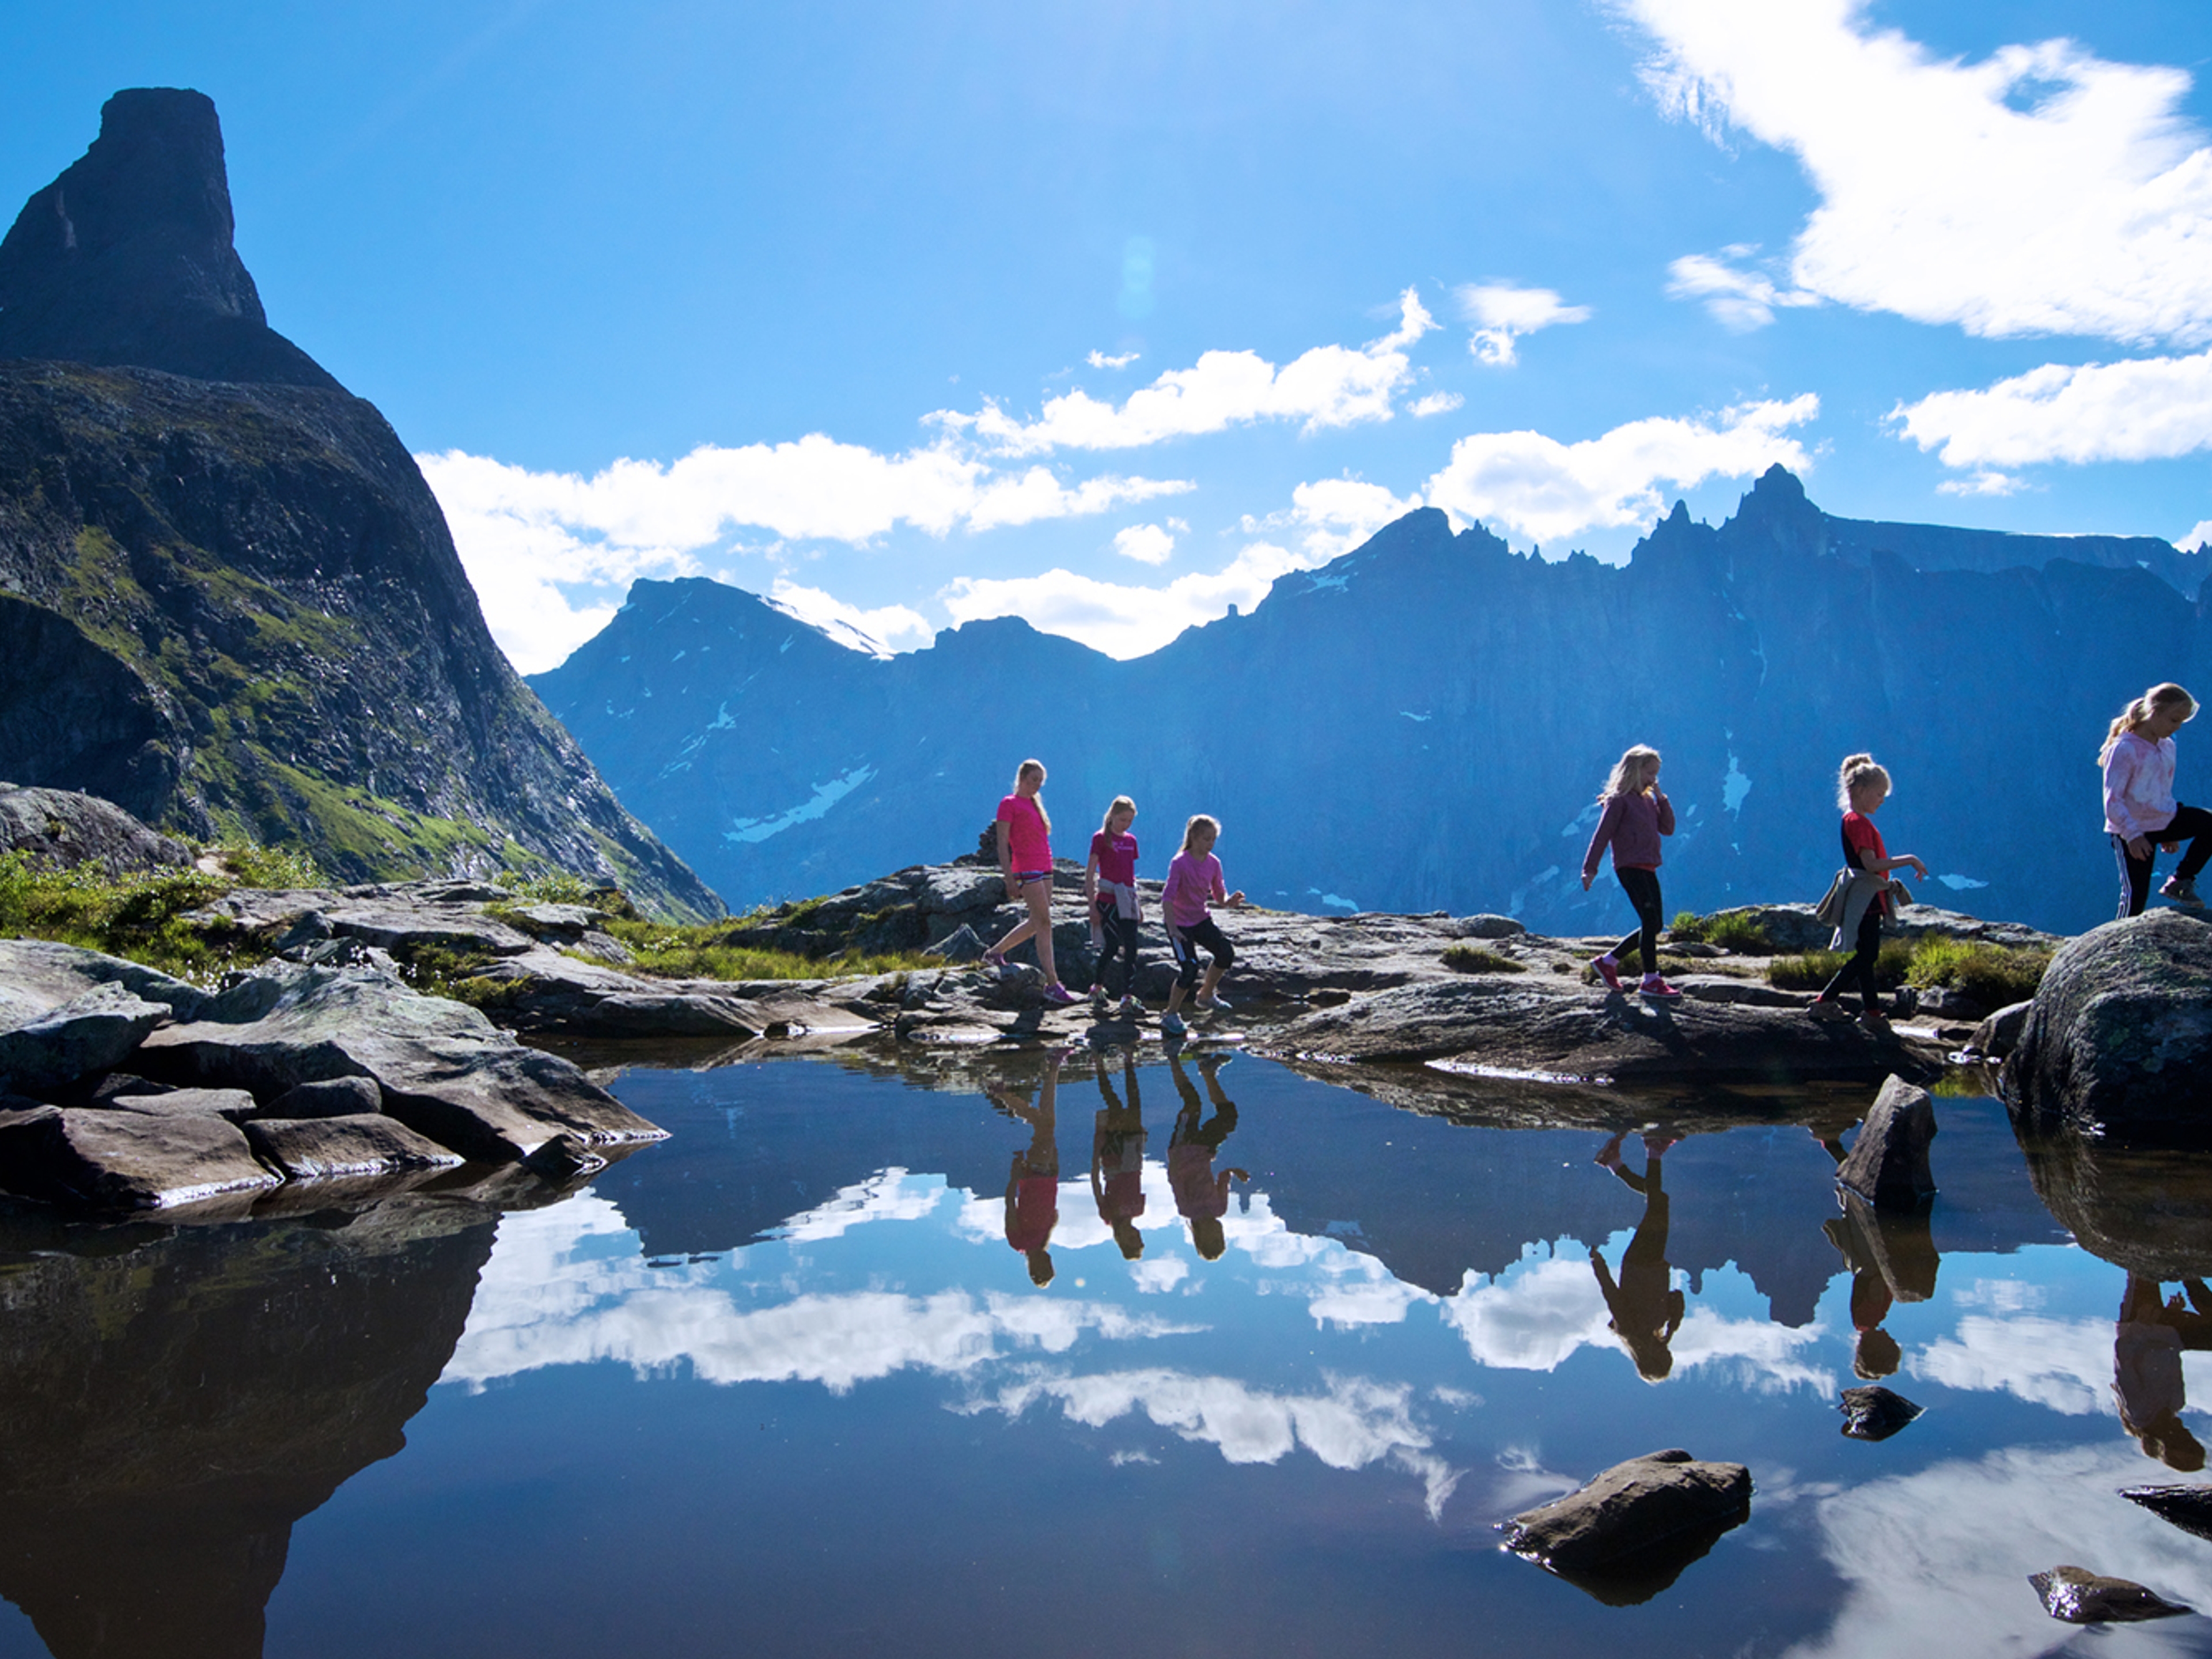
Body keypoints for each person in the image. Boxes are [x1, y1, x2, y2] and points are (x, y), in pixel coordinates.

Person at [1809, 754, 1927, 1034]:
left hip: (1867, 897)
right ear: (1860, 791)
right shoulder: (1858, 823)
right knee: (1867, 955)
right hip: (1866, 898)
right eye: (1878, 794)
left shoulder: (1854, 820)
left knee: (1867, 954)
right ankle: (1825, 1000)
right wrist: (1910, 859)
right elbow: (1870, 864)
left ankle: (1872, 1012)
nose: (1882, 800)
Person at [2101, 682, 2211, 916]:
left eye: (2182, 720)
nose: (2178, 726)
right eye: (2174, 720)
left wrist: (2168, 822)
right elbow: (2112, 801)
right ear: (2155, 712)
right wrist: (2133, 836)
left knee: (2209, 823)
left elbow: (2161, 789)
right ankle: (2118, 945)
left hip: (2162, 821)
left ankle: (2181, 881)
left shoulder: (2167, 746)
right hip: (2132, 830)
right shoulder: (2124, 749)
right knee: (2135, 895)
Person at [1581, 744, 1680, 999]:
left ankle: (1608, 962)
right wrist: (1590, 869)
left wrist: (1661, 798)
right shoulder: (1618, 801)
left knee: (1655, 924)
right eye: (1650, 773)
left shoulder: (1648, 801)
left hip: (1648, 866)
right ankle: (1650, 979)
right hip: (1630, 867)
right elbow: (1602, 836)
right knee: (1649, 921)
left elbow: (1668, 828)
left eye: (1656, 774)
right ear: (1635, 772)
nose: (1653, 779)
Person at [1589, 1129, 1686, 1381]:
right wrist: (1673, 1324)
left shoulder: (1630, 1330)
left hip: (1641, 1264)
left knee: (1658, 1202)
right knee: (1659, 1200)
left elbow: (1612, 1296)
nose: (1666, 1349)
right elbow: (1677, 1297)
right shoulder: (1656, 1328)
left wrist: (1598, 1265)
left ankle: (1654, 1149)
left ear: (1652, 1357)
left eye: (1664, 1354)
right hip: (1654, 1263)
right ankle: (1614, 1162)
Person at [985, 759, 1078, 1004]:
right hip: (1026, 869)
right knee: (1044, 922)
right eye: (1033, 779)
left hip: (1045, 867)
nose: (1037, 785)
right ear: (1022, 778)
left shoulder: (1035, 806)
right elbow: (1003, 843)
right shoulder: (1009, 804)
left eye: (1040, 781)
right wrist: (1009, 878)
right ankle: (1052, 983)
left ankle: (995, 953)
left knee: (1038, 922)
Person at [1160, 814, 1244, 1037]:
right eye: (1206, 839)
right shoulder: (1180, 863)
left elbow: (1218, 893)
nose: (1210, 844)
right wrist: (1173, 930)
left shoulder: (1214, 863)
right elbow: (1167, 898)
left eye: (1213, 839)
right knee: (1190, 968)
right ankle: (1170, 1014)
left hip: (1200, 919)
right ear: (1194, 838)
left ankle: (1206, 995)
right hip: (1179, 924)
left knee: (1225, 952)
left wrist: (1228, 902)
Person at [992, 1047, 1067, 1286]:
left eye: (1044, 1266)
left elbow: (1010, 1205)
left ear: (1034, 1268)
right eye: (1050, 1265)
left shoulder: (1018, 1241)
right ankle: (1007, 1093)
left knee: (1045, 1125)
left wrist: (1015, 1176)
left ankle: (1053, 1066)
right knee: (1046, 1123)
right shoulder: (1046, 1237)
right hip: (1049, 1174)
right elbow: (1051, 1205)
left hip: (1033, 1174)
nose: (1048, 1261)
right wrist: (1055, 1169)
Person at [1168, 1049, 1246, 1262]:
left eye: (1210, 1238)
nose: (1215, 1233)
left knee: (1192, 1104)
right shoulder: (1219, 1209)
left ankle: (1173, 1058)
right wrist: (1234, 1171)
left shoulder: (1187, 1209)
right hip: (1204, 1150)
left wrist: (1179, 1154)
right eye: (1218, 1237)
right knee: (1228, 1118)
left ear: (1200, 1236)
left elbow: (1175, 1178)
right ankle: (1208, 1071)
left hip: (1183, 1147)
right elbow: (1223, 1178)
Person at [1085, 795, 1143, 1014]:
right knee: (1111, 945)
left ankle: (1127, 996)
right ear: (1112, 817)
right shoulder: (1100, 839)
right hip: (1108, 900)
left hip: (1127, 899)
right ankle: (1098, 987)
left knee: (1131, 947)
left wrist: (1139, 905)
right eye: (1122, 820)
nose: (1126, 825)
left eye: (1129, 821)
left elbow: (1130, 876)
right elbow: (1090, 873)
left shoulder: (1131, 841)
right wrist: (1093, 906)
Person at [1090, 1047, 1146, 1260]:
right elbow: (1138, 1179)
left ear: (1122, 1240)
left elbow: (1097, 1186)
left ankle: (1099, 1063)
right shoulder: (1139, 1210)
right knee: (1135, 1102)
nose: (1136, 1236)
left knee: (1113, 1103)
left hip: (1113, 1157)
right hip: (1133, 1157)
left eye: (1133, 1240)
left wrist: (1095, 1160)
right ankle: (1129, 1060)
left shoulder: (1108, 1216)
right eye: (1139, 1239)